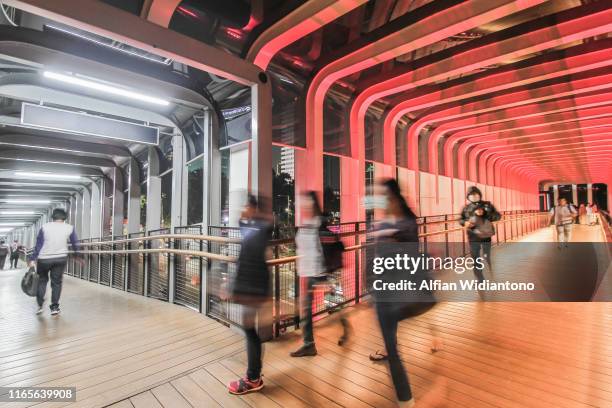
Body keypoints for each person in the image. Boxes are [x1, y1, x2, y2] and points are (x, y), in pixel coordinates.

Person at [368, 179, 445, 407]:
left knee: (393, 347)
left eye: (384, 197)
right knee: (391, 347)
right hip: (386, 293)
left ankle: (406, 401)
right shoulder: (386, 224)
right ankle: (406, 400)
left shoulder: (404, 224)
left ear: (392, 197)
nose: (381, 202)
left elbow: (406, 253)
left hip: (399, 292)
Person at [290, 191, 351, 358]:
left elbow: (328, 246)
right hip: (309, 273)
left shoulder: (320, 225)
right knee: (309, 309)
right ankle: (309, 344)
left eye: (306, 203)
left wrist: (328, 274)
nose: (303, 206)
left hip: (321, 273)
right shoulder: (306, 224)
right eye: (301, 203)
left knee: (331, 305)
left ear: (313, 205)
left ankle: (342, 327)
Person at [227, 195, 272, 395]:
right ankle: (254, 375)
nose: (243, 209)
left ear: (254, 208)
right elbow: (242, 225)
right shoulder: (252, 227)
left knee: (250, 331)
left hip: (254, 287)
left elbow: (252, 257)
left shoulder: (260, 229)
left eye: (247, 205)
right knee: (250, 330)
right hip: (250, 286)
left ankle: (253, 378)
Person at [28, 208, 79, 315]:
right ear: (64, 217)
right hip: (60, 258)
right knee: (56, 283)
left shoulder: (45, 227)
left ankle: (40, 305)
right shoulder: (69, 227)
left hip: (44, 259)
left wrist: (32, 258)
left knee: (42, 281)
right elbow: (75, 243)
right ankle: (54, 307)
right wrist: (77, 255)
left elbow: (39, 244)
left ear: (53, 216)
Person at [459, 186, 501, 282]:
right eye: (471, 195)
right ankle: (480, 280)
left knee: (486, 256)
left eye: (475, 194)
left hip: (486, 236)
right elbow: (461, 219)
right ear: (468, 196)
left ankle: (489, 274)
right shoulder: (466, 208)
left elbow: (497, 216)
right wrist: (464, 223)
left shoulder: (487, 205)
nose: (473, 196)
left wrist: (486, 214)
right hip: (473, 237)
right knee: (475, 258)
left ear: (479, 195)